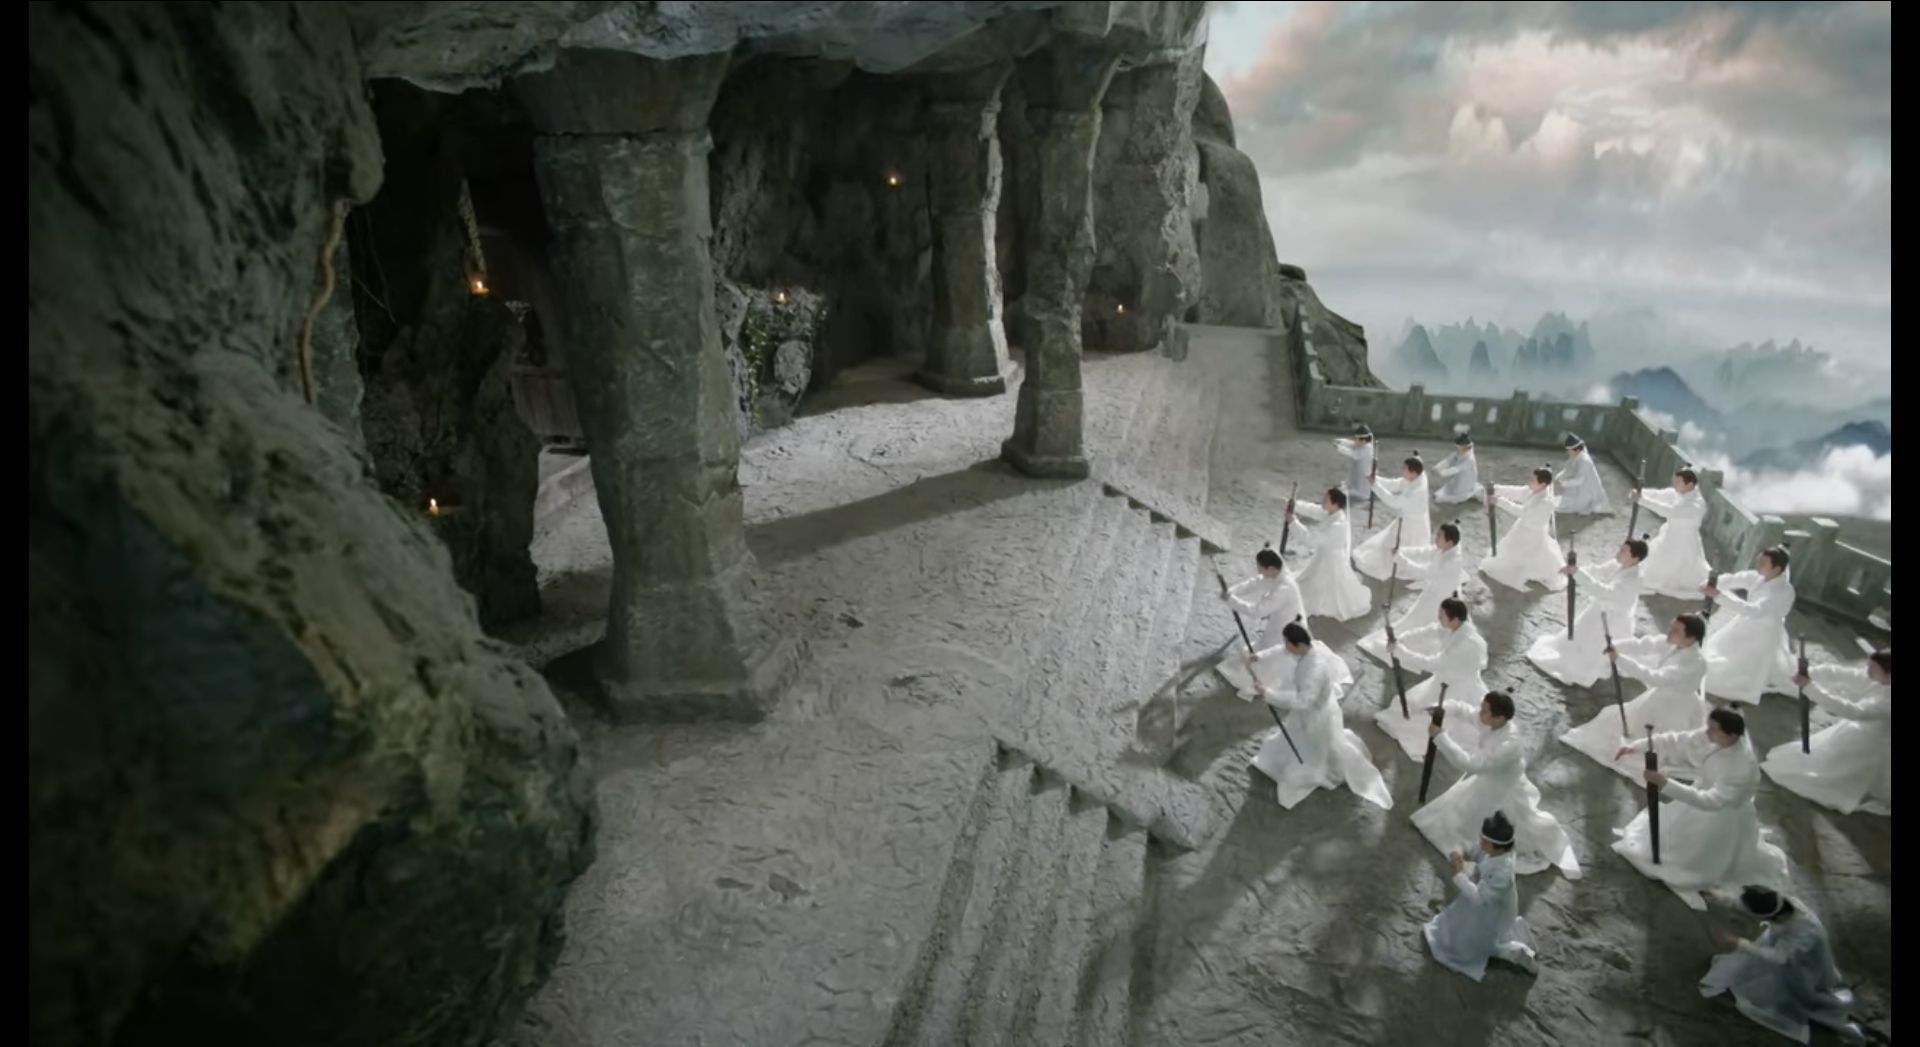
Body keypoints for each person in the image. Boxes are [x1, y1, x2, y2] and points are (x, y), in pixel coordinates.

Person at [1610, 708, 1791, 911]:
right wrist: (1637, 747)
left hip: (1721, 816)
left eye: (1713, 729)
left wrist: (1665, 784)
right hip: (1699, 798)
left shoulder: (1740, 767)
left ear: (1730, 735)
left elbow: (1712, 802)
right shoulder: (1718, 737)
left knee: (1694, 858)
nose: (1706, 733)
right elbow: (1681, 740)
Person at [1412, 691, 1583, 879]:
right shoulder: (1490, 721)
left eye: (1485, 711)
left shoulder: (1508, 745)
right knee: (1455, 816)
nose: (1479, 713)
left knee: (1483, 825)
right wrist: (1443, 708)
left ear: (1499, 718)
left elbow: (1472, 764)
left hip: (1500, 786)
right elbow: (1466, 711)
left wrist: (1440, 737)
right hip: (1489, 779)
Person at [1248, 623, 1393, 811]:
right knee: (1295, 739)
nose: (1285, 647)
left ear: (1298, 645)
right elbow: (1283, 649)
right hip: (1306, 714)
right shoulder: (1309, 647)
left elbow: (1302, 701)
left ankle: (1315, 768)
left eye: (1287, 643)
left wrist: (1268, 693)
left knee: (1314, 750)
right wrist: (1260, 656)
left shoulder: (1314, 670)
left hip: (1316, 718)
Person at [1698, 886, 1860, 1044]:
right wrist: (1720, 897)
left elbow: (1780, 957)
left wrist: (1741, 944)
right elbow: (1751, 904)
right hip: (1784, 946)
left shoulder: (1804, 932)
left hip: (1804, 962)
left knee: (1802, 991)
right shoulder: (1783, 905)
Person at [1560, 614, 1709, 783]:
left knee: (1656, 744)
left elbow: (1656, 678)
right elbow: (1643, 645)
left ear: (1691, 638)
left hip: (1676, 708)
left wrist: (1620, 659)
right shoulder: (1673, 642)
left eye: (1675, 631)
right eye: (1671, 627)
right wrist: (1615, 646)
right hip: (1660, 697)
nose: (1669, 632)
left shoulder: (1695, 663)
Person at [1763, 650, 1892, 816]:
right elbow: (1842, 674)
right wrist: (1811, 673)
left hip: (1869, 742)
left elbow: (1853, 711)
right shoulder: (1879, 680)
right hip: (1855, 731)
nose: (1867, 672)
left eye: (1873, 669)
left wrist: (1810, 688)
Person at [1422, 811, 1540, 981]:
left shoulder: (1503, 873)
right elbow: (1474, 850)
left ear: (1498, 847)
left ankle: (1519, 953)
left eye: (1484, 842)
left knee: (1484, 943)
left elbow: (1479, 900)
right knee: (1460, 923)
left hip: (1494, 910)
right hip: (1485, 899)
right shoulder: (1495, 851)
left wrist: (1459, 874)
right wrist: (1459, 852)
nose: (1480, 843)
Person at [1525, 538, 1648, 688]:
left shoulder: (1633, 579)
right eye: (1620, 548)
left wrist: (1578, 574)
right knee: (1575, 639)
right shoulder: (1619, 564)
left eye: (1623, 551)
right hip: (1600, 611)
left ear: (1635, 558)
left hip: (1612, 621)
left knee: (1589, 657)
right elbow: (1598, 569)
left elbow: (1604, 592)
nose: (1618, 552)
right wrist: (1574, 569)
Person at [1374, 598, 1487, 761]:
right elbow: (1428, 631)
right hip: (1446, 677)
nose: (1438, 618)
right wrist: (1400, 639)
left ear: (1455, 620)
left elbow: (1432, 663)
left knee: (1429, 720)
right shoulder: (1453, 626)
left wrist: (1400, 652)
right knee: (1418, 708)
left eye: (1441, 616)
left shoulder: (1466, 645)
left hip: (1456, 686)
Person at [1357, 522, 1467, 666]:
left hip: (1440, 599)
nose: (1435, 538)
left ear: (1449, 542)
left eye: (1439, 536)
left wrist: (1401, 560)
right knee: (1413, 621)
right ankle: (1402, 641)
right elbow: (1424, 552)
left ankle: (1404, 648)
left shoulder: (1451, 562)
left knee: (1423, 625)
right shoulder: (1446, 547)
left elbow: (1423, 572)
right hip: (1434, 591)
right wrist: (1402, 551)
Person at [1703, 547, 1797, 705]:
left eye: (1763, 563)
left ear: (1776, 569)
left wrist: (1719, 595)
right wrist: (1712, 582)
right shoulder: (1759, 577)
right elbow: (1734, 579)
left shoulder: (1782, 591)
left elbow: (1755, 610)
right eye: (1759, 561)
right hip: (1745, 624)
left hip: (1763, 634)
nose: (1758, 565)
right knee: (1719, 651)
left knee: (1735, 671)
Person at [1216, 547, 1306, 699]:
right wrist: (1232, 591)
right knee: (1263, 650)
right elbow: (1255, 583)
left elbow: (1257, 611)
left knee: (1272, 659)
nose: (1258, 572)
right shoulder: (1278, 573)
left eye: (1260, 568)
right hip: (1280, 622)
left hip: (1286, 628)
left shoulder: (1283, 589)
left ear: (1271, 568)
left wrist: (1232, 600)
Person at [1286, 488, 1373, 621]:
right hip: (1323, 555)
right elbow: (1313, 510)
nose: (1322, 501)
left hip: (1331, 560)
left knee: (1324, 586)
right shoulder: (1332, 513)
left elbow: (1311, 539)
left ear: (1335, 504)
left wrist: (1293, 522)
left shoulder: (1338, 525)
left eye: (1326, 499)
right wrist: (1295, 505)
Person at [1478, 467, 1567, 592]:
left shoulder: (1545, 502)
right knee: (1512, 553)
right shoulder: (1534, 490)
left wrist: (1499, 501)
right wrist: (1496, 489)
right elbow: (1516, 492)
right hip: (1522, 528)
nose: (1529, 481)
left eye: (1533, 480)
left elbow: (1522, 512)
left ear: (1542, 484)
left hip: (1533, 533)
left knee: (1532, 556)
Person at [1630, 466, 1711, 598]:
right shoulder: (1681, 492)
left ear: (1690, 484)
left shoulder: (1696, 505)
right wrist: (1641, 492)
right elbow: (1662, 495)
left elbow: (1670, 511)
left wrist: (1642, 500)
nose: (1674, 485)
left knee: (1676, 567)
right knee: (1656, 561)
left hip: (1683, 541)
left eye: (1677, 482)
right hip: (1670, 535)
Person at [1354, 455, 1432, 580]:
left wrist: (1375, 485)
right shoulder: (1418, 475)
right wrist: (1376, 479)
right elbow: (1396, 484)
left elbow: (1393, 501)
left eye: (1405, 469)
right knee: (1389, 543)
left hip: (1413, 524)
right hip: (1407, 519)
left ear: (1413, 473)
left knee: (1406, 549)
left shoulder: (1417, 492)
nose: (1402, 470)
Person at [1555, 433, 1610, 515]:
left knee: (1559, 505)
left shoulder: (1585, 461)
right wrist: (1558, 477)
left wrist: (1562, 483)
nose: (1568, 452)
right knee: (1558, 498)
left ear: (1576, 450)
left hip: (1587, 492)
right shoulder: (1576, 455)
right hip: (1578, 487)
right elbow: (1568, 469)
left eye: (1569, 450)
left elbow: (1579, 480)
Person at [1333, 423, 1376, 515]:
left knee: (1354, 490)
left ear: (1363, 440)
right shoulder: (1362, 444)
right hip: (1357, 474)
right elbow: (1352, 444)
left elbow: (1355, 455)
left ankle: (1349, 491)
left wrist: (1339, 448)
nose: (1355, 440)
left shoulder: (1367, 449)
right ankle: (1347, 489)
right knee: (1349, 483)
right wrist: (1340, 441)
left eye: (1357, 439)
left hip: (1363, 481)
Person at [1431, 431, 1481, 506]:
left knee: (1438, 499)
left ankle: (1468, 495)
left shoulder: (1470, 459)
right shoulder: (1458, 453)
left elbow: (1456, 469)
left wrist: (1441, 473)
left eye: (1461, 448)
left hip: (1465, 486)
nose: (1458, 449)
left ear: (1466, 447)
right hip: (1456, 482)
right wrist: (1436, 467)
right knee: (1437, 494)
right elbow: (1447, 461)